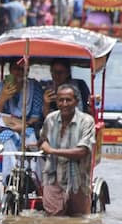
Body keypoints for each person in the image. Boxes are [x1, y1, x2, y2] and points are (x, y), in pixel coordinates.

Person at [39, 84, 96, 216]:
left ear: (76, 101)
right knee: (54, 220)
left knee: (78, 219)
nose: (64, 104)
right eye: (61, 100)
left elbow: (82, 151)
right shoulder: (50, 119)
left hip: (78, 179)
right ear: (57, 101)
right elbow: (42, 139)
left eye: (68, 100)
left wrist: (52, 151)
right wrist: (42, 144)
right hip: (52, 176)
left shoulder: (87, 121)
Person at [0, 61, 44, 184]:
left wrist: (22, 125)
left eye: (22, 69)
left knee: (30, 137)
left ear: (27, 71)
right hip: (5, 128)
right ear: (10, 70)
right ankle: (9, 176)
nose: (19, 72)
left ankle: (31, 176)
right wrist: (2, 98)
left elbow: (36, 116)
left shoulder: (34, 87)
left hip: (28, 127)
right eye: (16, 69)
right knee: (7, 138)